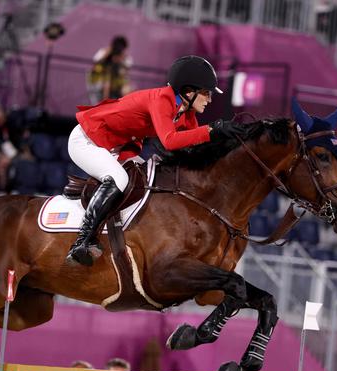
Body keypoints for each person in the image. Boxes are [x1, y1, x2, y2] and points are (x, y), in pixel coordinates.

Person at [63, 55, 244, 266]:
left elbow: (199, 146)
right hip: (87, 140)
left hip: (118, 149)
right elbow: (169, 141)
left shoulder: (186, 114)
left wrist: (228, 140)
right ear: (188, 92)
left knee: (149, 179)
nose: (210, 99)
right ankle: (82, 241)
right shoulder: (162, 99)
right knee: (118, 179)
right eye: (206, 93)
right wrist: (212, 130)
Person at [87, 35, 132, 103]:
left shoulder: (124, 57)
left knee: (127, 91)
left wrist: (121, 58)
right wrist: (107, 53)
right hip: (100, 82)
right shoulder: (104, 52)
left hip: (117, 85)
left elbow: (128, 64)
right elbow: (96, 60)